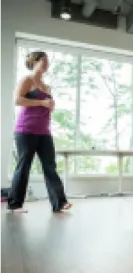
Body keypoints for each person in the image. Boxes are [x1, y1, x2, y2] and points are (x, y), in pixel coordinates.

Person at [7, 51, 72, 213]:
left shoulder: (47, 86)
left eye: (47, 61)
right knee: (24, 166)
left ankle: (59, 203)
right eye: (43, 60)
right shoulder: (27, 80)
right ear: (34, 62)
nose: (46, 63)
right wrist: (42, 102)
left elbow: (46, 106)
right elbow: (17, 100)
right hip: (25, 130)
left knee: (50, 166)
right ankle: (15, 205)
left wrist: (50, 105)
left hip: (44, 132)